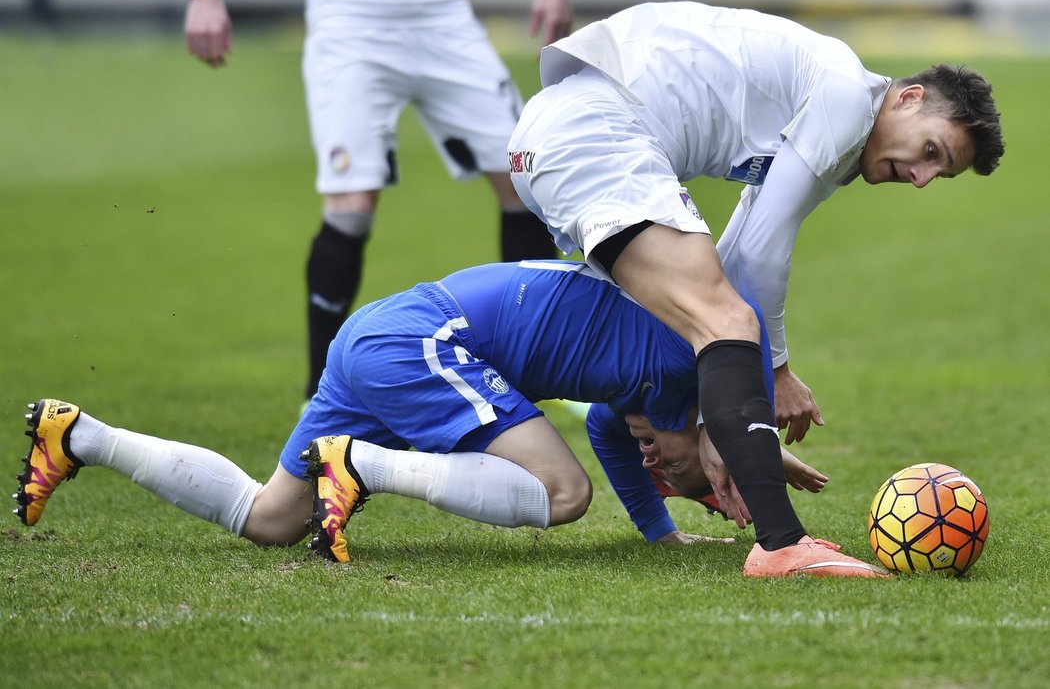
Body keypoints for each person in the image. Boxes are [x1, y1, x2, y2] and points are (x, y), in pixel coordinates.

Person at [507, 2, 1003, 572]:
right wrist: (775, 372)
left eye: (938, 174)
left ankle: (678, 446)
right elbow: (763, 256)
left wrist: (731, 419)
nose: (920, 177)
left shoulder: (837, 122)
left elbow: (740, 253)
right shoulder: (843, 100)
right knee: (728, 322)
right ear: (910, 98)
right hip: (596, 137)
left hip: (559, 137)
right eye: (932, 152)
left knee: (711, 323)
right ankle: (780, 543)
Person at [11, 260, 880, 577]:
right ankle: (365, 467)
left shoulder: (676, 374)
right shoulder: (675, 367)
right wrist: (730, 470)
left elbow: (629, 434)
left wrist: (666, 526)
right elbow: (652, 444)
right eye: (697, 481)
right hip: (423, 345)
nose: (670, 472)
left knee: (269, 520)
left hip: (379, 337)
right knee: (562, 492)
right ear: (707, 436)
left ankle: (77, 434)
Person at [183, 0, 570, 399]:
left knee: (521, 179)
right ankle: (319, 398)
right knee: (350, 210)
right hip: (349, 19)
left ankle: (539, 376)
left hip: (443, 14)